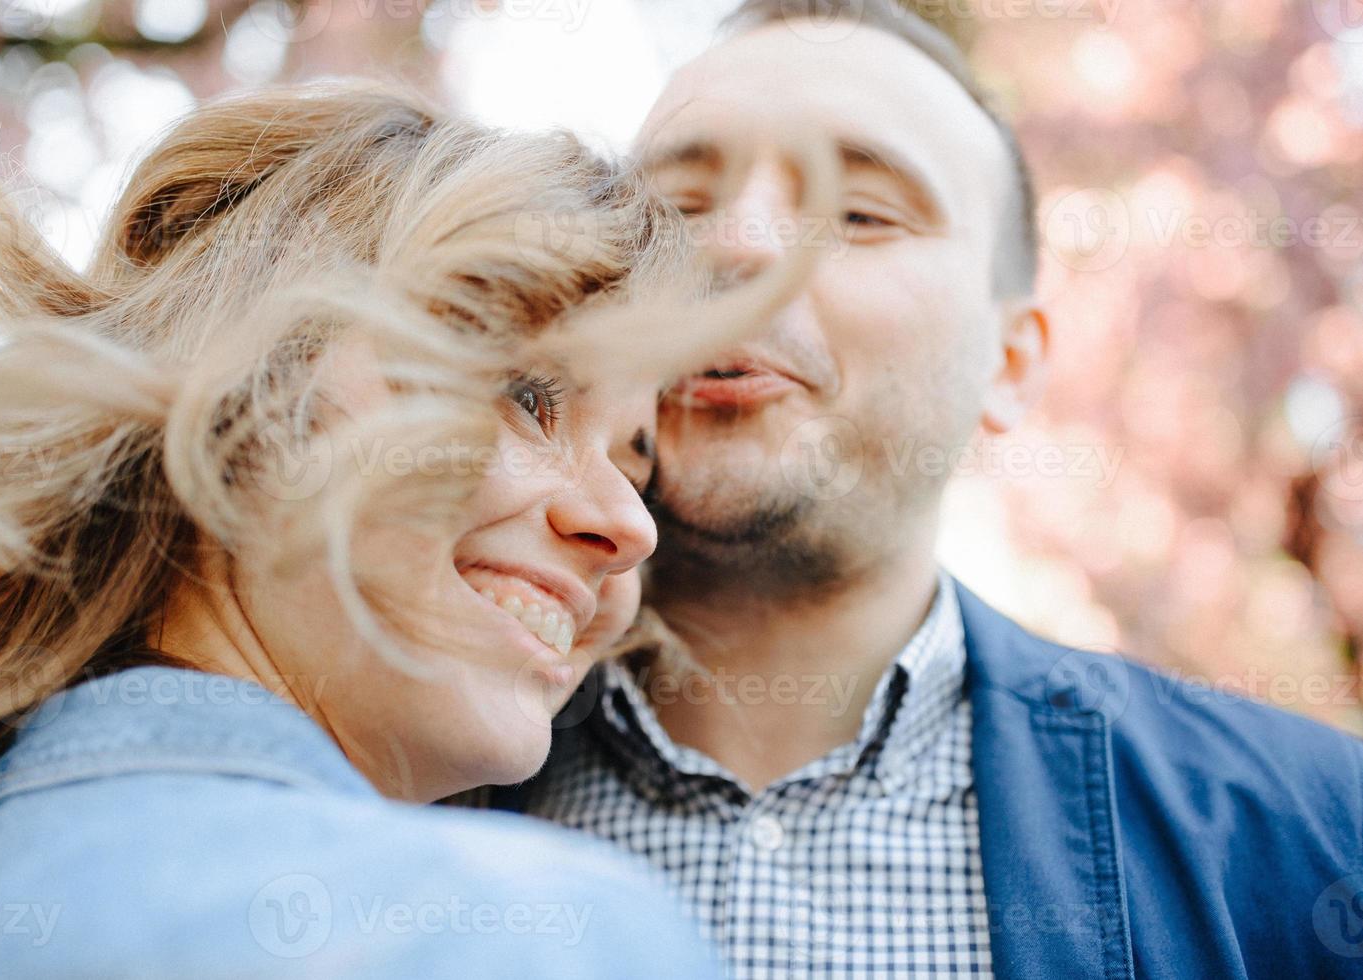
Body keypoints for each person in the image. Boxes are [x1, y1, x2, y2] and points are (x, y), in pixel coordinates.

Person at [469, 2, 1363, 977]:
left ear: (1012, 361)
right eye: (676, 208)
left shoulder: (1313, 837)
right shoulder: (377, 776)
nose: (739, 250)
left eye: (860, 213)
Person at [0, 77, 824, 977]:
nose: (632, 527)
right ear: (242, 395)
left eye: (634, 463)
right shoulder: (523, 937)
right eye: (525, 394)